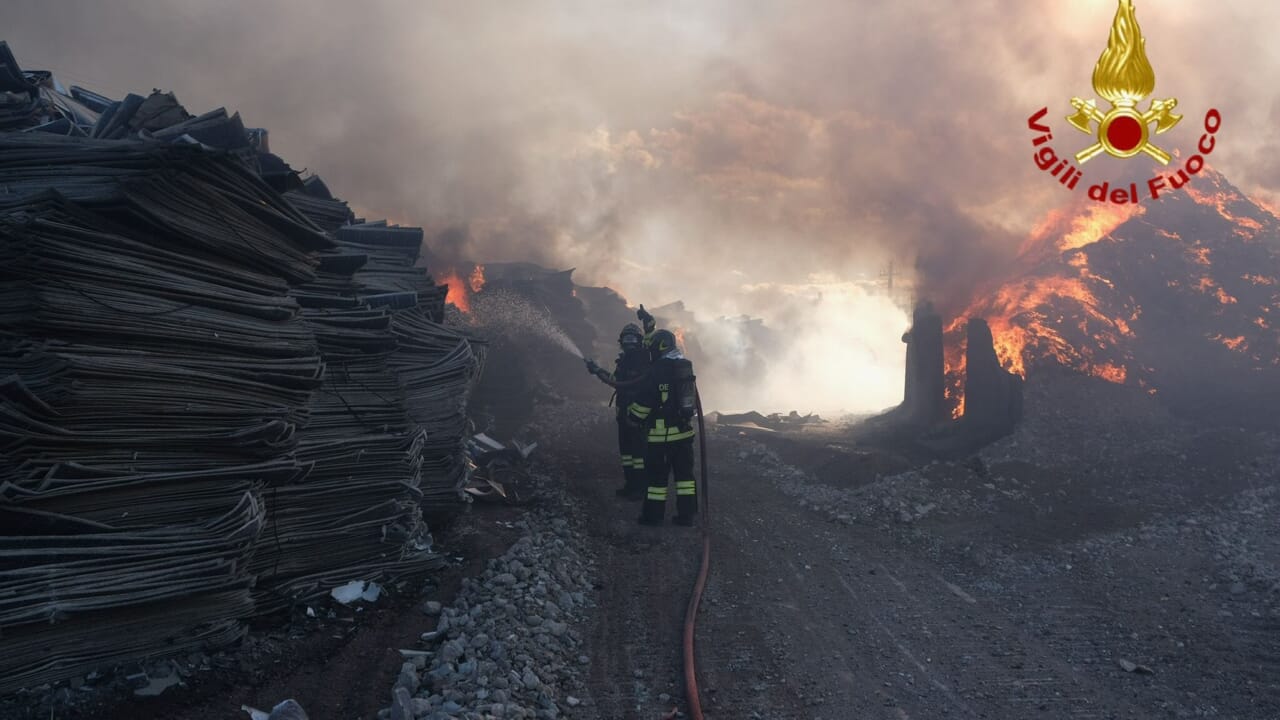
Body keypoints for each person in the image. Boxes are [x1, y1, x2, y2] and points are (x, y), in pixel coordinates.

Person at [626, 328, 698, 526]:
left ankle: (653, 517)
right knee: (685, 479)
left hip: (661, 438)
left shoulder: (657, 371)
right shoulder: (683, 366)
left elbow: (645, 402)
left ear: (659, 347)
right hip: (684, 435)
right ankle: (687, 516)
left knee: (657, 480)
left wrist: (633, 416)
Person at [585, 323, 651, 499]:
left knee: (638, 454)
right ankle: (630, 485)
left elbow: (638, 386)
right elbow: (615, 380)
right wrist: (597, 370)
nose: (629, 342)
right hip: (623, 415)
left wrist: (636, 416)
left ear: (639, 340)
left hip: (637, 417)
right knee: (627, 454)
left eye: (632, 338)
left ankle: (640, 489)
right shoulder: (623, 361)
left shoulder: (643, 360)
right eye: (626, 339)